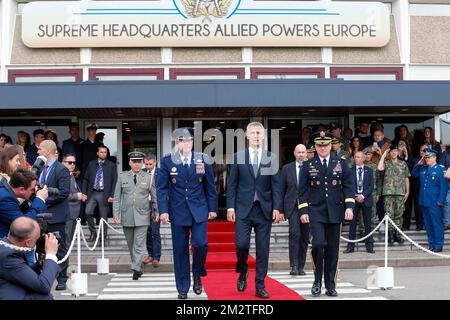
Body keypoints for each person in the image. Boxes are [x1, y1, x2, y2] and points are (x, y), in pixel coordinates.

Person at [157, 127, 218, 300]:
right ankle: (182, 287)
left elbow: (210, 186)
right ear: (177, 143)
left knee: (200, 244)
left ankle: (197, 274)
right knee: (180, 251)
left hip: (199, 210)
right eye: (183, 140)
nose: (187, 143)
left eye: (189, 140)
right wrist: (163, 211)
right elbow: (161, 188)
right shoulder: (168, 161)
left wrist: (213, 208)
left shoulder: (202, 159)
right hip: (177, 211)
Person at [227, 122, 282, 299]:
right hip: (243, 209)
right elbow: (232, 185)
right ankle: (243, 271)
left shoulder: (271, 158)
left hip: (263, 210)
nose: (257, 136)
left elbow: (276, 186)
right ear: (247, 136)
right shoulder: (238, 157)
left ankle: (260, 286)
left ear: (263, 136)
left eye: (259, 133)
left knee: (262, 249)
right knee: (241, 245)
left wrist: (277, 207)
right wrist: (230, 207)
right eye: (253, 133)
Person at [298, 131, 355, 297]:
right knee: (318, 244)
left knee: (332, 250)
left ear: (331, 145)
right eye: (319, 145)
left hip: (335, 211)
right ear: (315, 147)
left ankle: (330, 284)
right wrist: (303, 210)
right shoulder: (309, 164)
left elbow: (348, 186)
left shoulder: (341, 163)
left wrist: (349, 207)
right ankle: (317, 280)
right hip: (316, 211)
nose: (323, 148)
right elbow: (302, 190)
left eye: (326, 145)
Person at [113, 151, 157, 280]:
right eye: (134, 162)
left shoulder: (148, 178)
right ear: (130, 163)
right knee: (131, 244)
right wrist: (116, 214)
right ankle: (138, 267)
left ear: (142, 163)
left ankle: (136, 268)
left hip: (143, 215)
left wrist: (157, 212)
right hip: (127, 215)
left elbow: (154, 198)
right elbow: (117, 198)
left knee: (138, 244)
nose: (137, 164)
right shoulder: (122, 177)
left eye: (139, 162)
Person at [37, 140, 71, 290]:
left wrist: (43, 200)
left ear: (48, 151)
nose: (38, 151)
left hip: (56, 215)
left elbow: (63, 193)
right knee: (41, 248)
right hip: (40, 215)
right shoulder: (39, 168)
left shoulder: (61, 169)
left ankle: (62, 278)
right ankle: (43, 276)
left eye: (40, 149)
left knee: (60, 247)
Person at [0, 217, 59, 300]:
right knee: (44, 297)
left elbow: (19, 272)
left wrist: (39, 264)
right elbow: (43, 286)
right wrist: (51, 255)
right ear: (28, 242)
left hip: (10, 289)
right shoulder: (9, 256)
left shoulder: (6, 245)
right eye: (37, 239)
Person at [280, 144, 309, 276]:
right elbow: (281, 190)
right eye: (298, 152)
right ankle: (294, 265)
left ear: (306, 153)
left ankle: (301, 266)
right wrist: (280, 210)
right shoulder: (287, 168)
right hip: (292, 207)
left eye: (303, 152)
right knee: (294, 233)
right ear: (294, 153)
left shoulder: (311, 168)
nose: (301, 154)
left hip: (307, 207)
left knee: (304, 237)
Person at [413, 148, 448, 252]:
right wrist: (420, 163)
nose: (427, 159)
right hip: (424, 201)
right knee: (428, 224)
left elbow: (444, 186)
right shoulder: (423, 168)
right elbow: (414, 174)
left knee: (436, 224)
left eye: (429, 157)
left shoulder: (440, 169)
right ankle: (431, 244)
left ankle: (438, 245)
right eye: (426, 157)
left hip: (435, 202)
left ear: (434, 158)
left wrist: (441, 200)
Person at [82, 145, 117, 242]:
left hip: (104, 194)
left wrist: (112, 195)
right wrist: (84, 193)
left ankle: (103, 237)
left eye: (105, 152)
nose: (103, 154)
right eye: (101, 152)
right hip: (92, 193)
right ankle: (93, 232)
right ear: (97, 153)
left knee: (103, 216)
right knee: (88, 212)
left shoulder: (112, 165)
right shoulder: (91, 164)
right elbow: (85, 179)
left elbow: (115, 181)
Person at [0, 169, 48, 238]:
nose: (34, 192)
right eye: (32, 189)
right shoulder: (5, 198)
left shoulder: (4, 190)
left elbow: (16, 211)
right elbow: (24, 224)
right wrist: (40, 199)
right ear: (21, 189)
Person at [377, 144, 410, 244]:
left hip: (400, 192)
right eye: (391, 151)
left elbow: (406, 178)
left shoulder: (403, 164)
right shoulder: (386, 163)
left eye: (395, 151)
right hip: (388, 193)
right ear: (389, 153)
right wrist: (383, 155)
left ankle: (397, 234)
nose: (394, 153)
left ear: (398, 152)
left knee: (399, 214)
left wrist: (407, 191)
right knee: (389, 214)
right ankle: (390, 234)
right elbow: (379, 168)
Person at [344, 151, 375, 254]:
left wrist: (362, 196)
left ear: (363, 158)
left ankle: (369, 246)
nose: (356, 159)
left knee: (368, 224)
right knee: (352, 224)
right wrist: (355, 196)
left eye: (358, 157)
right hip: (354, 200)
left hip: (366, 199)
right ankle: (350, 246)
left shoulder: (369, 171)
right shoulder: (350, 170)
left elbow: (371, 186)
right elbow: (348, 185)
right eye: (355, 157)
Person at [62, 154, 86, 249]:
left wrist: (80, 195)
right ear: (63, 163)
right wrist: (77, 196)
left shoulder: (71, 175)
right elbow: (62, 195)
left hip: (74, 212)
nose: (72, 164)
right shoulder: (63, 176)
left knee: (70, 240)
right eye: (69, 162)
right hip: (67, 212)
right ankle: (64, 262)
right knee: (67, 240)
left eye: (74, 163)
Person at [142, 154, 161, 268]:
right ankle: (150, 254)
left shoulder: (161, 172)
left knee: (155, 231)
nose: (148, 166)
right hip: (144, 206)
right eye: (146, 164)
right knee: (147, 231)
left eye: (150, 164)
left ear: (155, 162)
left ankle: (156, 257)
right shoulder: (142, 172)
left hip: (156, 206)